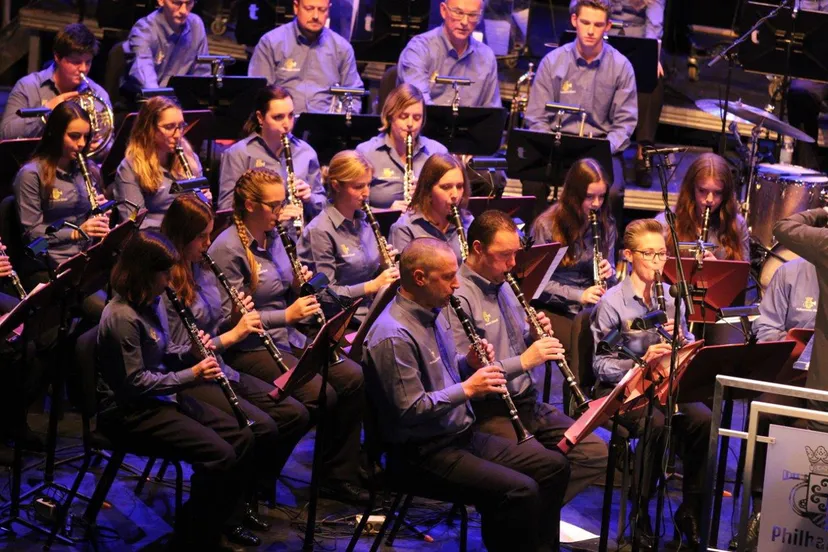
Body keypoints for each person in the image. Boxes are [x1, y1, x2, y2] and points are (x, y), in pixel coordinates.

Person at [364, 237, 570, 552]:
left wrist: (467, 364)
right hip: (421, 452)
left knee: (553, 466)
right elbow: (410, 409)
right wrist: (469, 387)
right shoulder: (393, 335)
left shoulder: (434, 312)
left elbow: (442, 374)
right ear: (420, 278)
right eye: (448, 277)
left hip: (459, 435)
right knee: (519, 491)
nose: (457, 284)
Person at [208, 168, 368, 503]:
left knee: (352, 377)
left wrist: (297, 286)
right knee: (319, 395)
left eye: (282, 204)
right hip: (247, 348)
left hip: (285, 338)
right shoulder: (228, 248)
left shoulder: (276, 236)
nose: (281, 212)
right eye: (274, 206)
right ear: (250, 205)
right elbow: (226, 320)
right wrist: (287, 314)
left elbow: (282, 291)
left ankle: (336, 476)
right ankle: (257, 479)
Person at [160, 194, 310, 545]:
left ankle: (244, 496)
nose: (208, 243)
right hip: (189, 378)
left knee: (294, 414)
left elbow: (213, 324)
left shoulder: (202, 268)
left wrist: (235, 316)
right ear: (182, 236)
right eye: (201, 237)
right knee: (258, 428)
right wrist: (234, 334)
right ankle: (225, 511)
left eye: (209, 234)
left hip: (220, 366)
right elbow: (180, 351)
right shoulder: (167, 281)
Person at [96, 230, 252, 551]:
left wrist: (190, 353)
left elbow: (164, 351)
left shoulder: (151, 300)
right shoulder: (122, 317)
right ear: (144, 272)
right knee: (219, 455)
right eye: (165, 274)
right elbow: (135, 383)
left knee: (243, 435)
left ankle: (210, 525)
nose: (170, 281)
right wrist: (191, 375)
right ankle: (191, 537)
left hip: (159, 398)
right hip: (129, 413)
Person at [447, 210, 608, 504]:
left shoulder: (506, 283)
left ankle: (531, 515)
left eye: (515, 254)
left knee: (594, 452)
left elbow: (515, 340)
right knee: (544, 467)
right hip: (490, 412)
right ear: (478, 249)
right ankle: (525, 516)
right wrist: (525, 360)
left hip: (527, 402)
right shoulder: (458, 295)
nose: (513, 264)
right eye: (504, 255)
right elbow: (461, 371)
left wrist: (532, 335)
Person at [591, 218, 711, 547]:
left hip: (664, 385)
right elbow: (601, 364)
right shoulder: (612, 303)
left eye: (662, 254)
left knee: (703, 420)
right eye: (648, 254)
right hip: (624, 389)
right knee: (655, 422)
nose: (657, 262)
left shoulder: (671, 298)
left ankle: (690, 509)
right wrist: (642, 361)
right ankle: (640, 511)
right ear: (629, 255)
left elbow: (686, 347)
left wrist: (682, 341)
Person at [524, 0, 637, 223]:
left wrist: (601, 148)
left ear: (608, 26)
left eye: (598, 24)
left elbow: (625, 124)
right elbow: (536, 117)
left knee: (614, 192)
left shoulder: (622, 67)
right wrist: (552, 143)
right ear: (574, 20)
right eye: (585, 23)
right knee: (532, 184)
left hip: (600, 148)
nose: (591, 31)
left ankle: (605, 243)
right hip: (557, 146)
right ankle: (535, 241)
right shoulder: (552, 62)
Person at [297, 150, 400, 323]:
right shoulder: (320, 231)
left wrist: (383, 266)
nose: (366, 193)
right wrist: (372, 286)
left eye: (368, 184)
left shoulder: (365, 221)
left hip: (367, 313)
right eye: (358, 187)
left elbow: (365, 274)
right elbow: (325, 295)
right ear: (336, 186)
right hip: (335, 320)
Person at [531, 158, 617, 353]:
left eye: (602, 196)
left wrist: (609, 273)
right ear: (573, 195)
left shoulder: (606, 223)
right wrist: (579, 296)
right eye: (589, 197)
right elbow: (537, 284)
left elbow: (610, 278)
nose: (596, 204)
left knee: (617, 343)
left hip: (592, 306)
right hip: (554, 307)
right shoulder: (546, 226)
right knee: (582, 348)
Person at [13, 101, 109, 276]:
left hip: (85, 259)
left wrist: (101, 213)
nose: (82, 143)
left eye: (86, 136)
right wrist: (75, 234)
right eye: (74, 136)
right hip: (48, 266)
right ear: (55, 133)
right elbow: (32, 238)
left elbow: (91, 222)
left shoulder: (89, 169)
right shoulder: (30, 175)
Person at [217, 85, 325, 220]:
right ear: (260, 117)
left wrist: (310, 198)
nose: (287, 125)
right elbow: (227, 209)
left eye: (291, 115)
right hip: (259, 233)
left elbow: (323, 206)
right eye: (278, 117)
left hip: (299, 232)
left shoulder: (306, 152)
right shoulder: (239, 153)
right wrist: (272, 217)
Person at [248, 0, 363, 114]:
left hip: (326, 123)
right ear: (296, 7)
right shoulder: (271, 43)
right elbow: (259, 95)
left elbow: (353, 96)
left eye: (322, 10)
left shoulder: (342, 48)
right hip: (282, 121)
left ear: (329, 9)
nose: (316, 16)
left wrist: (340, 121)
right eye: (309, 9)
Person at [0, 23, 110, 140]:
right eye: (76, 62)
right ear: (57, 57)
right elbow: (5, 133)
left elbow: (108, 141)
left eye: (88, 62)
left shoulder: (98, 94)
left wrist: (101, 145)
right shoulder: (28, 86)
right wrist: (45, 113)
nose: (83, 68)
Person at [112, 96, 203, 230]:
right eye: (169, 127)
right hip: (152, 239)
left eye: (181, 126)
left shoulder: (190, 159)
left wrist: (203, 205)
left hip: (187, 236)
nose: (177, 135)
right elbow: (133, 222)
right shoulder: (130, 167)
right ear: (150, 129)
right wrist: (177, 227)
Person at [356, 84, 449, 210]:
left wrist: (428, 196)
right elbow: (355, 208)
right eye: (403, 117)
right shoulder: (366, 153)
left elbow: (450, 201)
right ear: (390, 116)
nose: (410, 124)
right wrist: (387, 212)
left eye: (417, 118)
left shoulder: (437, 152)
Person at [607, 0, 666, 187]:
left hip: (638, 39)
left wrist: (652, 55)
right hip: (603, 33)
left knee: (653, 77)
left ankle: (643, 152)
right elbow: (577, 7)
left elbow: (654, 22)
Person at [397, 0, 500, 108]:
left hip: (468, 119)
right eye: (458, 13)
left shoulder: (486, 57)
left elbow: (492, 112)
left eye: (472, 15)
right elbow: (417, 106)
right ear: (443, 10)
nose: (465, 22)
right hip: (426, 119)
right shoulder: (419, 49)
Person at [655, 152, 750, 262]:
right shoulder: (666, 222)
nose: (709, 199)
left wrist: (717, 268)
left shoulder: (737, 225)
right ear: (691, 189)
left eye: (717, 193)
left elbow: (743, 271)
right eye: (702, 191)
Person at [389, 153, 473, 264]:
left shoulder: (468, 221)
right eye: (446, 187)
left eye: (459, 186)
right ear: (428, 190)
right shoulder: (405, 228)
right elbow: (402, 273)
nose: (455, 195)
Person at [125, 0, 211, 91]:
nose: (184, 11)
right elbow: (147, 83)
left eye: (189, 3)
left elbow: (202, 77)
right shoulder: (143, 30)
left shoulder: (196, 25)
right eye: (177, 3)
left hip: (180, 98)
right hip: (148, 98)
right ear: (161, 1)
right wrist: (162, 99)